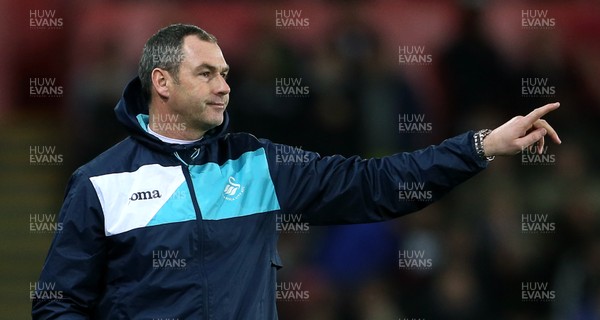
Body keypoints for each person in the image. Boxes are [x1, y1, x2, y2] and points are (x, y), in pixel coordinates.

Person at [32, 23, 561, 319]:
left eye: (226, 73)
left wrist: (480, 146)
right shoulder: (100, 183)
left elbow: (374, 185)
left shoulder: (257, 162)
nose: (224, 86)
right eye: (207, 73)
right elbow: (57, 304)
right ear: (163, 82)